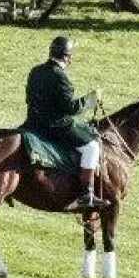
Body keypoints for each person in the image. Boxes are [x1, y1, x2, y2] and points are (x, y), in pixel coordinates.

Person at [23, 36, 108, 212]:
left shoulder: (35, 71)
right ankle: (87, 194)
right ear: (68, 57)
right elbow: (70, 108)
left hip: (32, 123)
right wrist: (91, 99)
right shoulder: (61, 78)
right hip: (55, 126)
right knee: (92, 146)